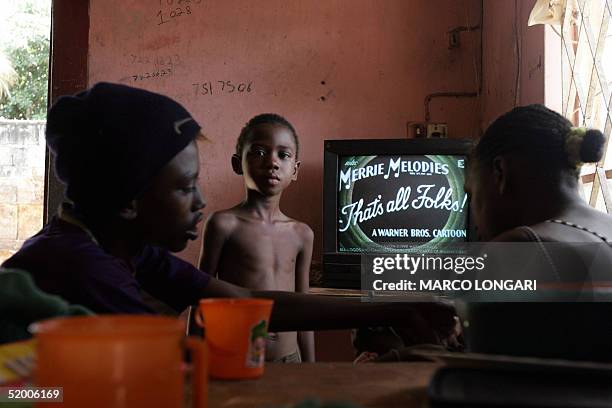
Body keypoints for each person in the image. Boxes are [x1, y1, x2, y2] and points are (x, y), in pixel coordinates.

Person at [2, 82, 455, 340]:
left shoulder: (124, 247)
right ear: (127, 202)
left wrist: (394, 309)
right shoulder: (86, 270)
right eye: (184, 188)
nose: (200, 200)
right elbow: (173, 373)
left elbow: (240, 305)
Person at [463, 104, 612, 361]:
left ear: (500, 173)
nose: (475, 219)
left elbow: (488, 386)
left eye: (473, 193)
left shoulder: (518, 250)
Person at [199, 114, 314, 362]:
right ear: (237, 163)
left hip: (289, 360)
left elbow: (305, 310)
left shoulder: (302, 234)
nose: (272, 162)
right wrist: (195, 360)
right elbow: (201, 300)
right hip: (236, 356)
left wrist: (311, 368)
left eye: (283, 155)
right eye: (259, 152)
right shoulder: (223, 224)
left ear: (295, 170)